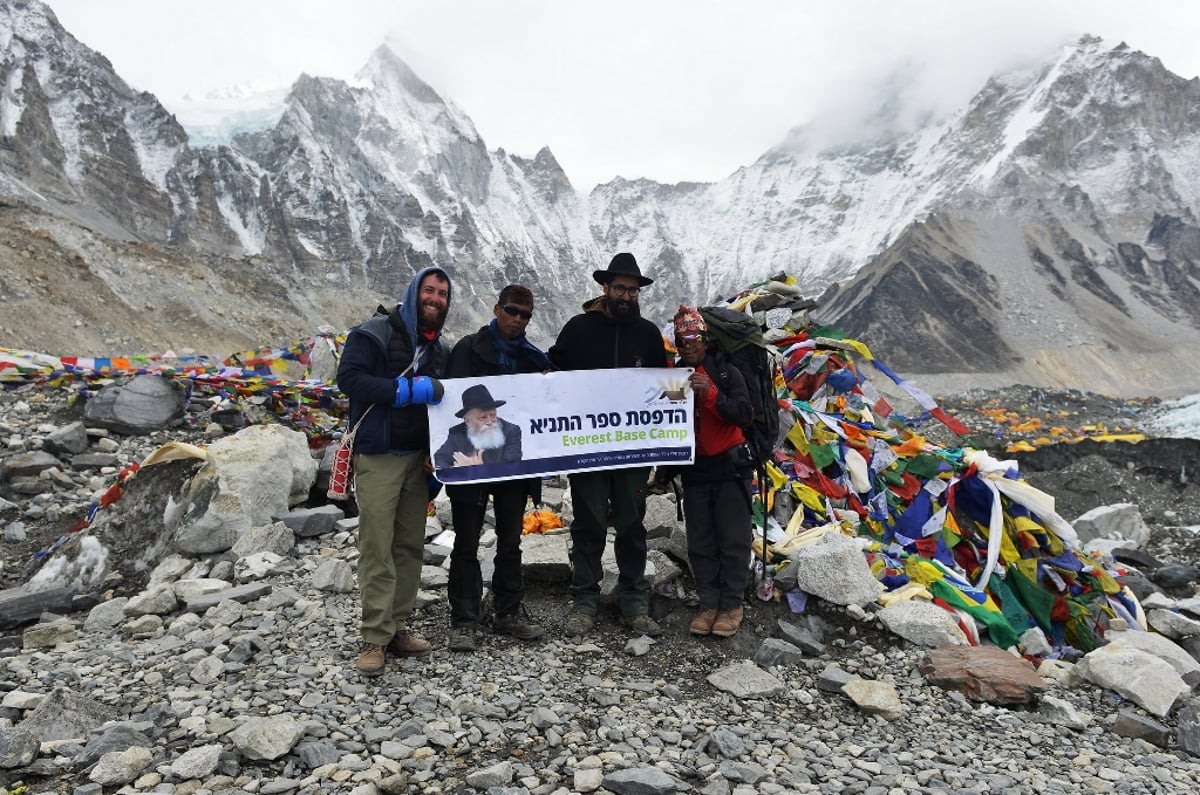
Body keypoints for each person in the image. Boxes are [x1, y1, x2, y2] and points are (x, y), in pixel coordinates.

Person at [336, 266, 452, 676]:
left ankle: (397, 626)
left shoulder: (440, 350)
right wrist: (400, 391)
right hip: (379, 454)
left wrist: (436, 451)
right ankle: (374, 635)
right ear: (413, 291)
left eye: (441, 293)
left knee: (408, 545)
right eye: (429, 290)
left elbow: (447, 406)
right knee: (377, 545)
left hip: (417, 459)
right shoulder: (375, 331)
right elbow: (348, 378)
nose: (434, 298)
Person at [548, 253, 669, 638]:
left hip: (633, 452)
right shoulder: (579, 329)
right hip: (587, 448)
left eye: (633, 290)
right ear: (605, 288)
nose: (627, 296)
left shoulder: (649, 335)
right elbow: (553, 375)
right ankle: (585, 600)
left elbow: (665, 392)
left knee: (633, 524)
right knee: (589, 523)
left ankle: (634, 600)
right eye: (620, 288)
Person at [441, 285, 551, 651]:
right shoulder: (467, 350)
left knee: (511, 540)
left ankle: (508, 613)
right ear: (496, 309)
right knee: (467, 542)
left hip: (513, 468)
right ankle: (464, 620)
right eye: (511, 310)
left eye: (525, 314)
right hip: (468, 467)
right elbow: (446, 405)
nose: (517, 319)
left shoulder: (536, 360)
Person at [656, 305, 755, 637]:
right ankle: (708, 604)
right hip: (695, 470)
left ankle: (732, 605)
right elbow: (671, 428)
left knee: (733, 539)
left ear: (705, 339)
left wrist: (711, 395)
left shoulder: (727, 372)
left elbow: (744, 413)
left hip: (730, 468)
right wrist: (665, 473)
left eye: (694, 338)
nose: (689, 345)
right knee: (700, 542)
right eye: (682, 341)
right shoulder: (674, 377)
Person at [433, 384, 522, 468]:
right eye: (483, 417)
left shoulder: (511, 431)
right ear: (467, 421)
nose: (490, 422)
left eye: (493, 415)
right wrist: (456, 469)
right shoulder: (457, 433)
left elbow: (513, 467)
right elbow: (440, 459)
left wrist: (480, 469)